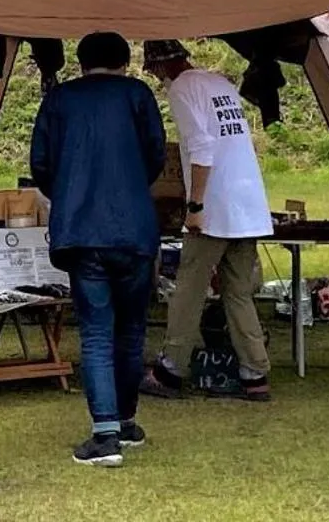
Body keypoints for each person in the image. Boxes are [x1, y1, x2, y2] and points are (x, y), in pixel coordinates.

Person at [30, 32, 168, 467]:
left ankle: (105, 433)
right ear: (125, 61)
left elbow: (40, 163)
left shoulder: (60, 99)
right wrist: (131, 186)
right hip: (134, 228)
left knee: (95, 331)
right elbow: (156, 155)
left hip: (81, 230)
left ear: (81, 61)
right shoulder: (138, 94)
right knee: (131, 329)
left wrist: (68, 191)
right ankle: (125, 421)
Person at [141, 39, 275, 403]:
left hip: (216, 204)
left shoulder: (183, 89)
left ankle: (171, 369)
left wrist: (195, 204)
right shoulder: (219, 82)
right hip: (247, 204)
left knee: (189, 288)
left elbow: (201, 147)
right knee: (238, 292)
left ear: (161, 67)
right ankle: (255, 373)